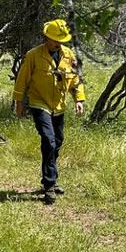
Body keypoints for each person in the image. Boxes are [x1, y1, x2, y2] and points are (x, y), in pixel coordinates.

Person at [13, 19, 86, 205]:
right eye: (55, 39)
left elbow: (75, 78)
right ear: (46, 37)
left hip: (59, 106)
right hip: (39, 103)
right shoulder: (33, 55)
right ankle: (50, 185)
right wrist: (19, 102)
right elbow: (22, 80)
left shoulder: (69, 55)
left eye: (61, 40)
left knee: (57, 142)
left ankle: (48, 178)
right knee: (48, 140)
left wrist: (79, 99)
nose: (58, 43)